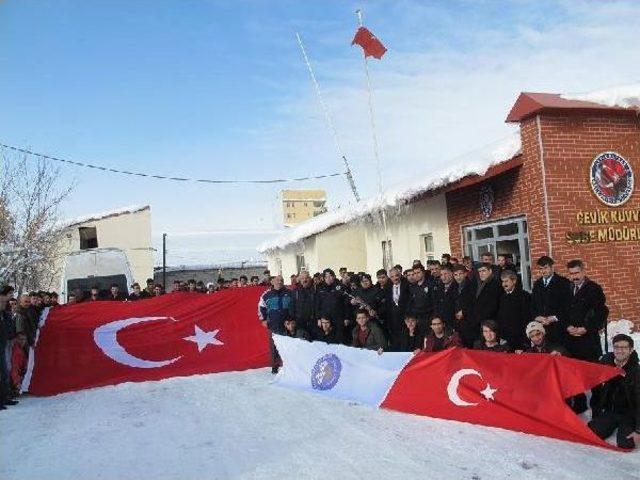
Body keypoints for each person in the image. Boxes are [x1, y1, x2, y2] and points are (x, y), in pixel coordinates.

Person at [588, 334, 640, 450]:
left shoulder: (636, 372)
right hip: (611, 411)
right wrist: (596, 414)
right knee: (591, 433)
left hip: (629, 414)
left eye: (624, 348)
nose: (619, 351)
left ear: (631, 350)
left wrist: (638, 430)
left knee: (626, 444)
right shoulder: (605, 364)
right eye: (616, 347)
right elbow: (595, 386)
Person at [564, 259, 607, 363]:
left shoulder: (594, 289)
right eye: (571, 273)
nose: (574, 277)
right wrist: (567, 326)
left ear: (583, 272)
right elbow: (563, 311)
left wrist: (586, 328)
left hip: (588, 339)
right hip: (570, 339)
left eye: (577, 273)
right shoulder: (567, 289)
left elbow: (601, 312)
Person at [531, 256, 571, 346]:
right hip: (541, 328)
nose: (543, 271)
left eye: (545, 268)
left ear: (552, 267)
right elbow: (533, 305)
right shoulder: (537, 284)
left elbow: (567, 305)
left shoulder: (563, 283)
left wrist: (554, 318)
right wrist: (537, 317)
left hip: (559, 327)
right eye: (541, 269)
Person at [258, 275, 292, 374]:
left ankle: (289, 366)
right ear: (272, 282)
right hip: (274, 324)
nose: (279, 282)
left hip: (288, 324)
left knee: (289, 346)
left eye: (281, 280)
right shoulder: (266, 294)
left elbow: (295, 306)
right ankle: (274, 367)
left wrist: (293, 320)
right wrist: (263, 319)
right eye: (277, 280)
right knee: (274, 347)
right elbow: (261, 307)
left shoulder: (290, 293)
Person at [496, 270, 531, 351]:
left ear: (514, 281)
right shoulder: (502, 297)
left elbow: (527, 317)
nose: (504, 284)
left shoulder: (524, 296)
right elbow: (501, 317)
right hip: (506, 338)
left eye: (506, 281)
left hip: (521, 338)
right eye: (502, 281)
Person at [315, 269, 350, 344]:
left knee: (339, 338)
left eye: (330, 276)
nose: (328, 278)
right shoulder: (320, 288)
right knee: (327, 339)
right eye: (326, 277)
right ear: (324, 278)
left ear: (334, 277)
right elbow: (317, 304)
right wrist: (318, 318)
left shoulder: (340, 287)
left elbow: (346, 303)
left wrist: (347, 317)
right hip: (326, 319)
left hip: (338, 318)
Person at [470, 263, 502, 339]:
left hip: (490, 322)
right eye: (479, 271)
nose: (481, 273)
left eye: (483, 271)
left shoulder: (496, 284)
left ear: (490, 271)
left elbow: (493, 305)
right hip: (478, 321)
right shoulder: (478, 283)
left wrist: (480, 318)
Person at [453, 264, 476, 348]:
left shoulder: (472, 286)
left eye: (460, 274)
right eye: (455, 275)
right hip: (458, 322)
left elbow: (474, 303)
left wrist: (464, 311)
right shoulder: (454, 286)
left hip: (469, 322)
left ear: (465, 274)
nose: (458, 277)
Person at [387, 267, 410, 349]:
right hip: (393, 320)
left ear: (400, 275)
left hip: (405, 319)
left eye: (396, 275)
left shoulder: (407, 285)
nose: (395, 278)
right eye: (392, 276)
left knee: (405, 342)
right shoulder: (388, 287)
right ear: (390, 278)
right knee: (395, 343)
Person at [407, 265, 433, 332]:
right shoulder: (412, 287)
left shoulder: (430, 285)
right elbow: (411, 302)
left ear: (423, 272)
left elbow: (434, 302)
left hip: (428, 317)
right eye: (414, 273)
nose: (416, 275)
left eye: (418, 272)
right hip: (417, 318)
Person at [430, 264, 457, 328]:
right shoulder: (439, 287)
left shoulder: (457, 286)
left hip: (454, 321)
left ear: (451, 274)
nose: (443, 277)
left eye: (445, 274)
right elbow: (436, 303)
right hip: (441, 322)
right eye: (441, 275)